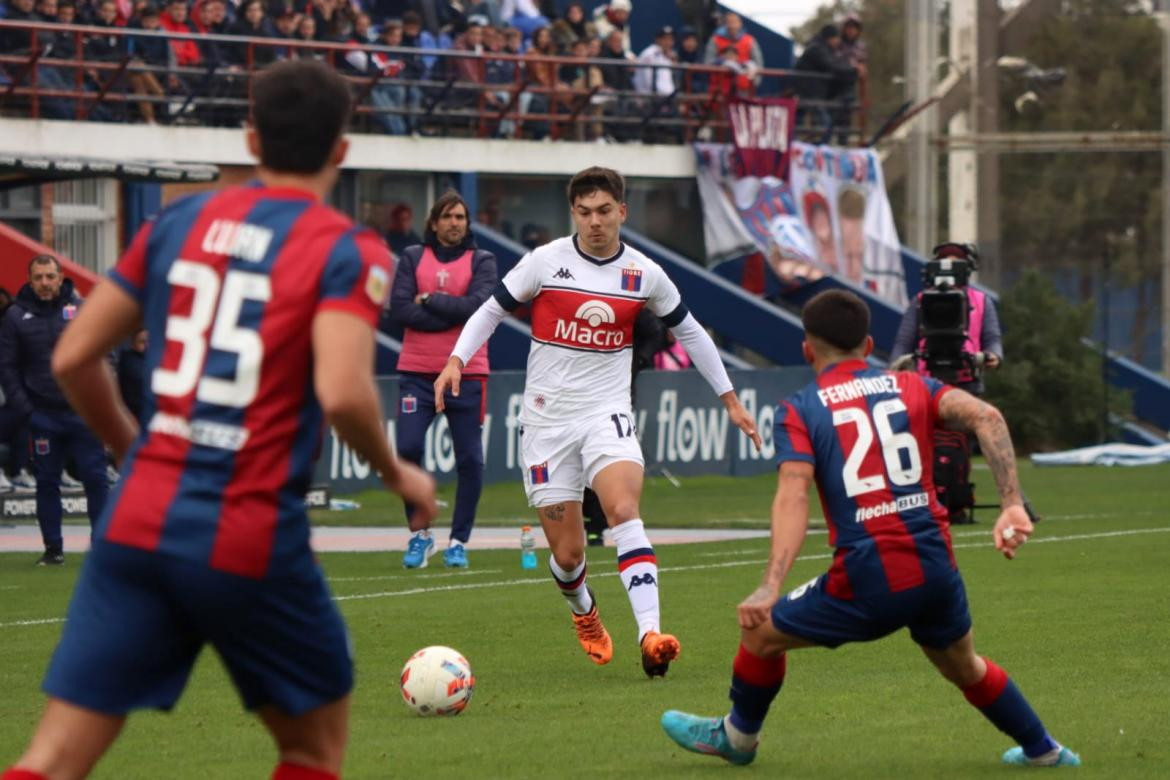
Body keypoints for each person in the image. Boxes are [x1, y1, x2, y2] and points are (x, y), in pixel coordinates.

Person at [1, 59, 437, 780]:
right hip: (247, 526)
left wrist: (131, 450)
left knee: (50, 759)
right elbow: (343, 391)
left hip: (137, 521)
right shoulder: (346, 249)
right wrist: (400, 475)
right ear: (342, 150)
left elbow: (75, 356)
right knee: (311, 749)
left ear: (251, 138)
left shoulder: (180, 220)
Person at [659, 289, 1080, 769]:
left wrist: (769, 585)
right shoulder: (913, 384)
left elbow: (793, 495)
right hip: (936, 567)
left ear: (806, 349)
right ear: (869, 344)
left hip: (870, 575)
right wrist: (1011, 505)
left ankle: (737, 737)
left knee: (760, 635)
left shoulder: (800, 409)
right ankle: (1045, 751)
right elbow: (988, 415)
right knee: (964, 665)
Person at [434, 166, 762, 677]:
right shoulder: (545, 262)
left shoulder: (644, 273)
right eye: (584, 213)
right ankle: (584, 611)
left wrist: (730, 399)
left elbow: (692, 333)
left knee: (624, 508)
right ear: (574, 215)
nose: (594, 222)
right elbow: (491, 311)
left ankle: (650, 634)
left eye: (604, 211)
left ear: (622, 212)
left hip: (607, 414)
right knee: (567, 555)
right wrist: (456, 358)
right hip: (545, 424)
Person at [390, 191, 497, 569]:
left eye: (461, 217)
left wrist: (430, 299)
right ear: (434, 223)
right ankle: (420, 534)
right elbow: (400, 309)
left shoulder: (482, 260)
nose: (455, 223)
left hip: (467, 373)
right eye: (448, 216)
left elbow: (479, 308)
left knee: (470, 459)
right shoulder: (412, 257)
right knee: (406, 449)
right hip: (416, 373)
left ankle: (458, 541)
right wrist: (453, 313)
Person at [0, 255, 109, 566]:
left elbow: (105, 353)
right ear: (30, 280)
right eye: (39, 278)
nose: (45, 283)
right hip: (43, 416)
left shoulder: (83, 309)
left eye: (50, 276)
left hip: (83, 412)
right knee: (46, 482)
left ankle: (100, 549)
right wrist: (28, 412)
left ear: (61, 277)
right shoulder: (15, 317)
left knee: (96, 479)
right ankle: (53, 550)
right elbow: (7, 369)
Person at [890, 241, 1004, 525]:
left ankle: (956, 500)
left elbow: (993, 340)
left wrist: (991, 358)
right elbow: (902, 343)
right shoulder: (920, 301)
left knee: (963, 444)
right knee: (925, 446)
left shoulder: (981, 301)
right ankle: (929, 501)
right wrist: (897, 374)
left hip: (966, 382)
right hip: (927, 386)